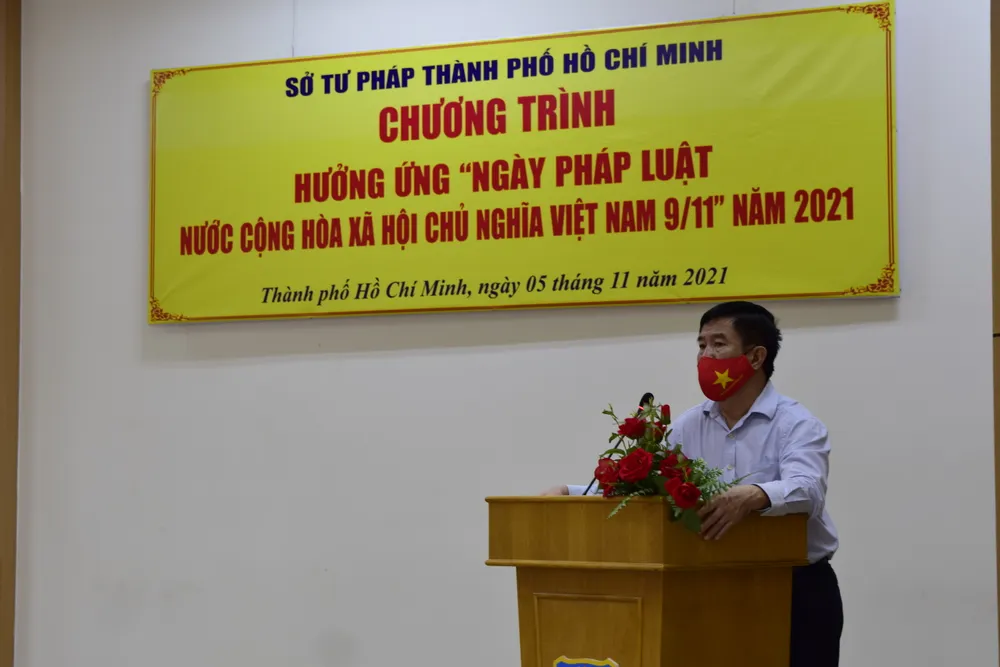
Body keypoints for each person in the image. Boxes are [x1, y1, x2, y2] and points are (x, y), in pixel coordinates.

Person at [541, 301, 842, 667]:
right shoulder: (689, 425)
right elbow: (647, 487)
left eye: (718, 344)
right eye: (701, 345)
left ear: (756, 356)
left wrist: (755, 495)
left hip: (794, 589)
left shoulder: (795, 424)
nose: (705, 355)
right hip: (710, 589)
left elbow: (808, 490)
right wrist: (571, 493)